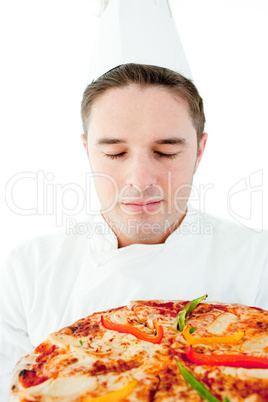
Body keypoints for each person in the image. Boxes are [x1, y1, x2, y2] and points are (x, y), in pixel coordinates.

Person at [1, 63, 268, 399]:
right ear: (87, 151)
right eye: (115, 153)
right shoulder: (27, 270)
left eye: (165, 152)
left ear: (200, 152)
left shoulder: (260, 261)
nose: (140, 180)